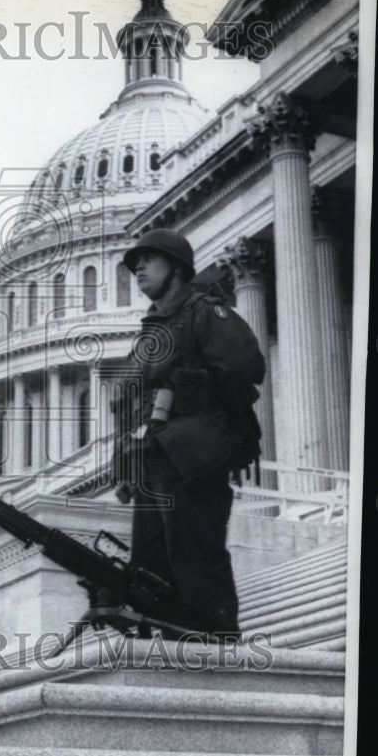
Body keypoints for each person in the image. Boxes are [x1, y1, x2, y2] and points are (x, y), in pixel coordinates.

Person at [112, 228, 265, 638]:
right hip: (153, 462)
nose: (138, 268)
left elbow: (243, 371)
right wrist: (125, 465)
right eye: (135, 263)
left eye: (149, 259)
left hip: (191, 460)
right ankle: (169, 650)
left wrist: (213, 437)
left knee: (195, 558)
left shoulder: (206, 313)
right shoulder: (151, 333)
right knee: (150, 568)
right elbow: (127, 404)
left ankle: (213, 650)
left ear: (177, 267)